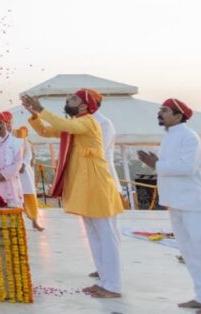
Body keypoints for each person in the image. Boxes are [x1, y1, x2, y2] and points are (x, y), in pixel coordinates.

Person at [22, 89, 125, 299]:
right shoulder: (74, 126)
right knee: (94, 236)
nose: (69, 100)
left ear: (85, 106)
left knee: (106, 236)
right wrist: (34, 114)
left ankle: (114, 285)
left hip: (97, 185)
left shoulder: (87, 122)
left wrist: (41, 109)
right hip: (85, 186)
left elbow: (64, 125)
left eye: (74, 98)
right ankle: (104, 281)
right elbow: (44, 131)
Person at [137, 98, 201, 313]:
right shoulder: (168, 137)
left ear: (178, 115)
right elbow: (167, 168)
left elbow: (187, 167)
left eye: (164, 110)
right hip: (176, 203)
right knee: (188, 253)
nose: (160, 114)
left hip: (194, 204)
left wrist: (157, 164)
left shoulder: (190, 137)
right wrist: (155, 163)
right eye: (160, 110)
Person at [13, 123, 44, 231]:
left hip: (26, 174)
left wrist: (23, 165)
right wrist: (17, 166)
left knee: (30, 197)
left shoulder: (27, 143)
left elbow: (29, 156)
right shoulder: (12, 142)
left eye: (24, 132)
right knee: (15, 198)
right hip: (15, 174)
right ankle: (17, 223)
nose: (22, 134)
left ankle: (35, 221)